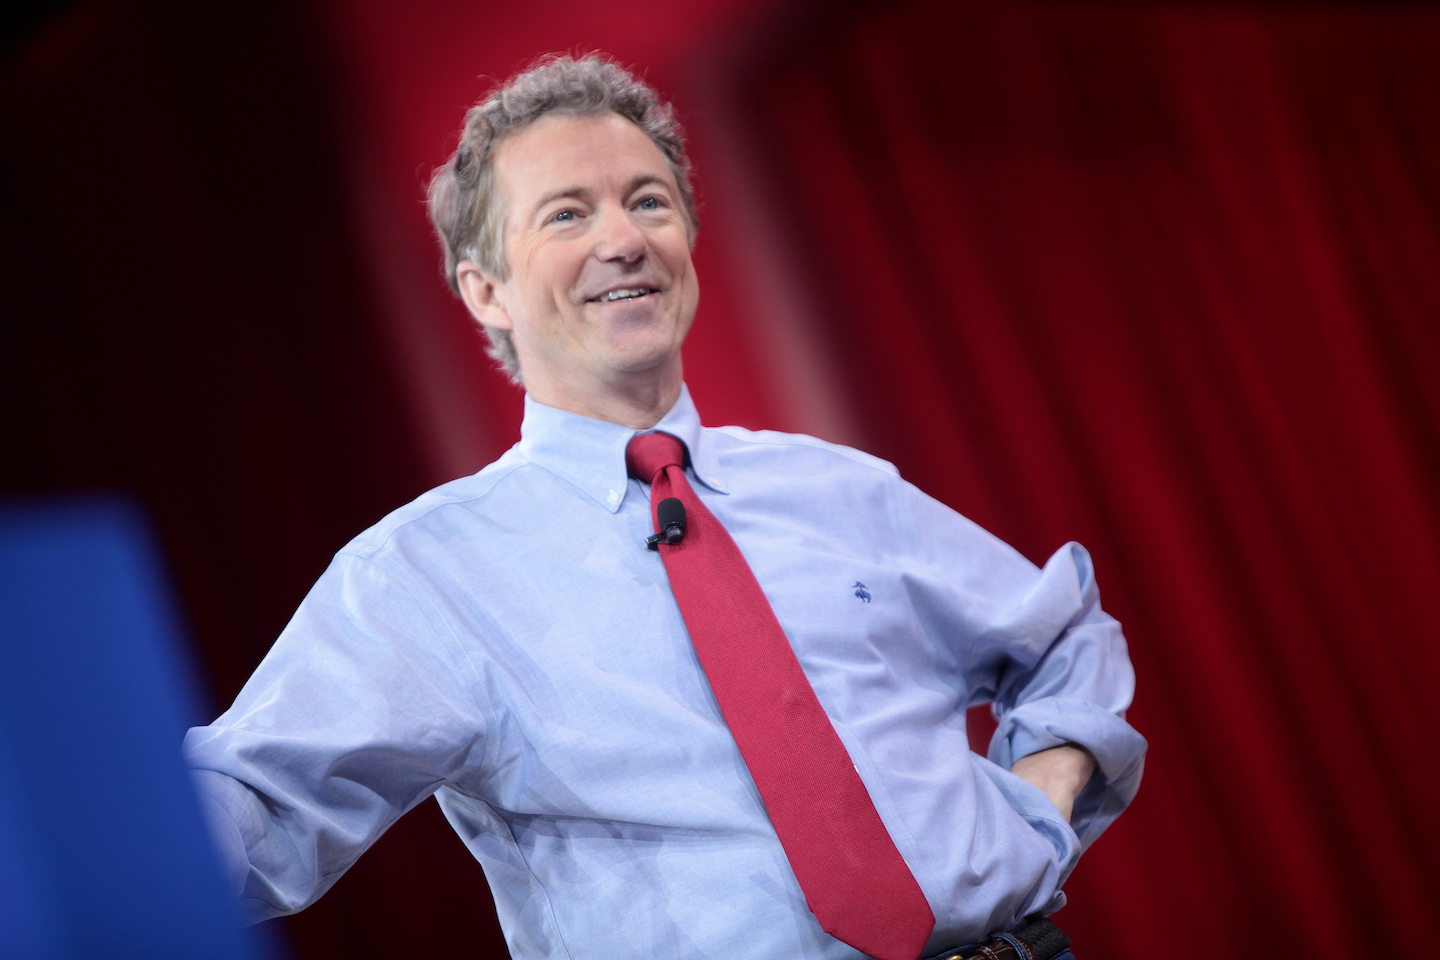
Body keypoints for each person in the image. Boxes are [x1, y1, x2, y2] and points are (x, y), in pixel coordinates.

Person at [184, 55, 1145, 960]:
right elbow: (249, 808)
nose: (622, 239)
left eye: (648, 201)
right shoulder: (423, 575)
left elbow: (1064, 636)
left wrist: (1039, 801)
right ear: (485, 290)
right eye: (566, 214)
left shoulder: (840, 487)